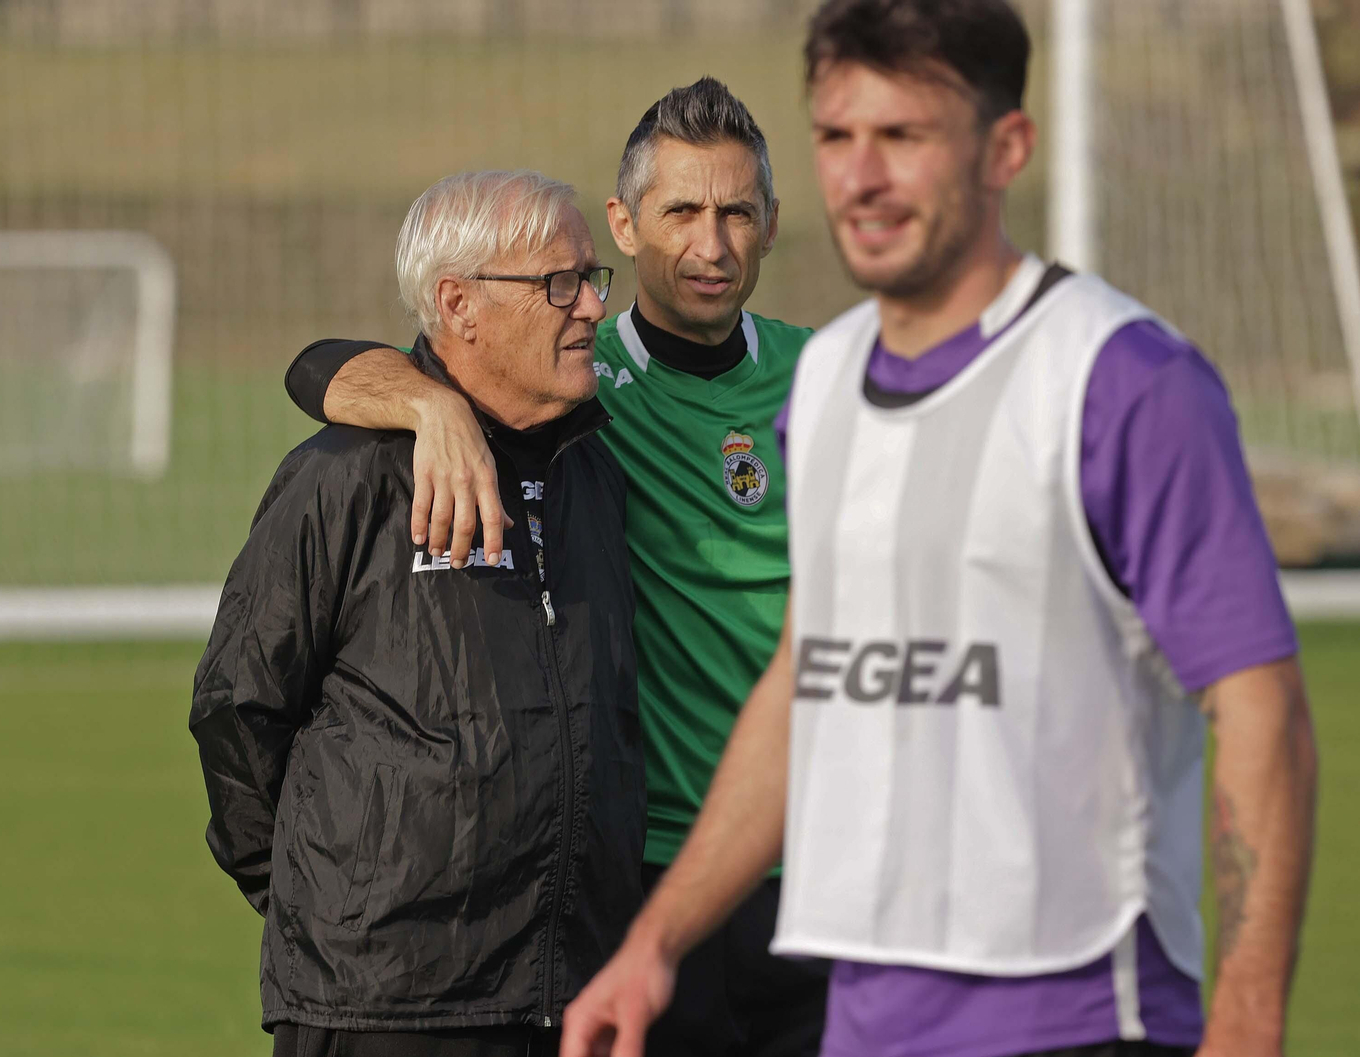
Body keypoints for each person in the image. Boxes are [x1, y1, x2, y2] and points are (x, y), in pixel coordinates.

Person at [560, 3, 1319, 1057]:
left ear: (1004, 149)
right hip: (870, 1003)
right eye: (836, 137)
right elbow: (806, 680)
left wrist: (1243, 1019)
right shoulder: (826, 387)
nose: (860, 178)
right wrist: (657, 939)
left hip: (1081, 1011)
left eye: (903, 138)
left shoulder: (1124, 381)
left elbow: (1261, 712)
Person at [284, 79, 831, 1057]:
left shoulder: (835, 377)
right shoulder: (581, 391)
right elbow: (323, 366)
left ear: (774, 223)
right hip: (653, 883)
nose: (710, 247)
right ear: (622, 222)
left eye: (737, 213)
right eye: (681, 214)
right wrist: (431, 406)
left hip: (833, 869)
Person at [190, 169, 645, 1057]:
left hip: (572, 996)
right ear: (459, 303)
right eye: (560, 282)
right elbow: (237, 710)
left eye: (593, 278)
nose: (592, 305)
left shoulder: (595, 473)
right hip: (384, 1009)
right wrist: (331, 897)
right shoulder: (345, 476)